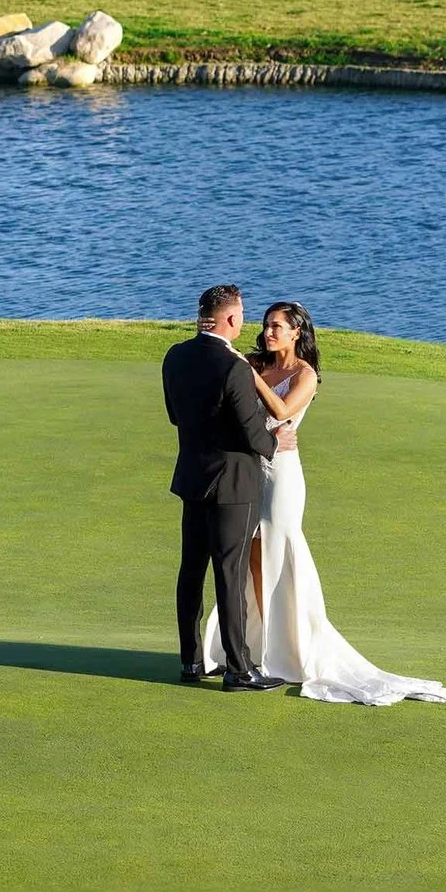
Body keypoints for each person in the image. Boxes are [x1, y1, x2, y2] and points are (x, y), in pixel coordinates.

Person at [198, 301, 446, 706]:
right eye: (265, 325)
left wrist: (248, 374)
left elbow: (281, 411)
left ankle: (293, 649)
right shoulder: (254, 362)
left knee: (281, 552)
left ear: (297, 332)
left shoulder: (305, 374)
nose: (268, 332)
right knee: (253, 558)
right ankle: (256, 649)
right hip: (250, 470)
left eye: (277, 326)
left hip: (281, 476)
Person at [163, 284, 287, 691]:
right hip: (233, 484)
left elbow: (174, 416)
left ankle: (190, 662)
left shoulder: (176, 356)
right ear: (231, 318)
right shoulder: (233, 368)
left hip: (193, 480)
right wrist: (276, 442)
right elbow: (254, 435)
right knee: (230, 575)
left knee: (191, 571)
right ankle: (239, 669)